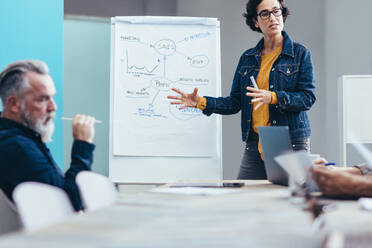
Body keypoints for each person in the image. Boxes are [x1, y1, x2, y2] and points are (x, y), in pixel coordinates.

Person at [167, 0, 316, 179]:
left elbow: (307, 98)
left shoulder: (300, 53)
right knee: (246, 196)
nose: (272, 18)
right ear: (255, 21)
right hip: (256, 141)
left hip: (289, 140)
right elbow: (235, 102)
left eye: (276, 11)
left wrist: (274, 97)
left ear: (283, 14)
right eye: (265, 14)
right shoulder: (248, 58)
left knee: (289, 199)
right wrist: (201, 102)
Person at [0, 60, 96, 211]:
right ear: (13, 104)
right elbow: (68, 205)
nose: (53, 107)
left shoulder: (21, 139)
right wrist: (82, 145)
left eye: (52, 97)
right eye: (42, 99)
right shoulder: (16, 146)